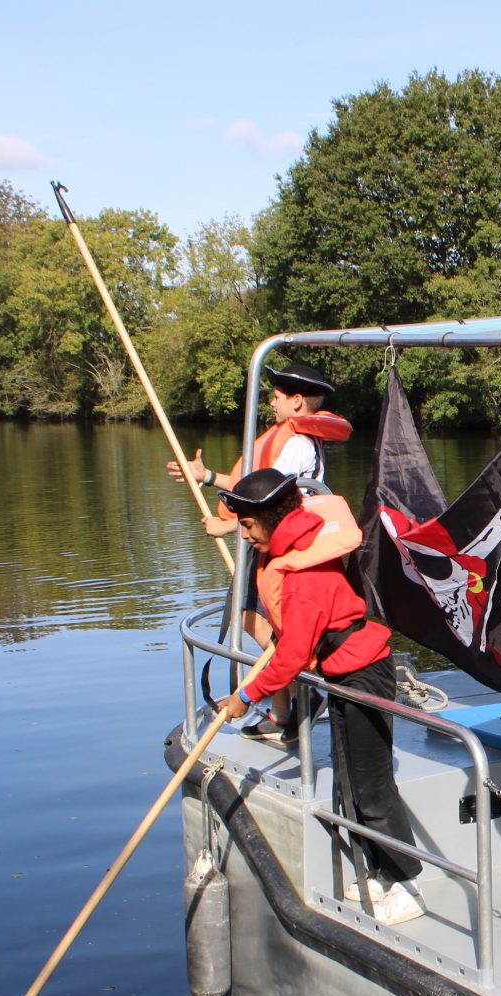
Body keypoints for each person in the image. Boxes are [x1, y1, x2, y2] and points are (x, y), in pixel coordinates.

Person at [213, 469, 425, 925]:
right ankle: (379, 874)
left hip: (365, 675)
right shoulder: (294, 553)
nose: (245, 535)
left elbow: (290, 658)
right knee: (348, 781)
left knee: (371, 785)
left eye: (249, 526)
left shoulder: (304, 577)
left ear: (272, 520)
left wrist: (245, 697)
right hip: (342, 674)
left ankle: (407, 885)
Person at [169, 363, 353, 538]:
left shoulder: (297, 444)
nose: (272, 404)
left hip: (289, 539)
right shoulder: (302, 439)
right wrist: (207, 476)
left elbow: (274, 505)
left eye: (277, 398)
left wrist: (228, 526)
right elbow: (256, 488)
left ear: (296, 401)